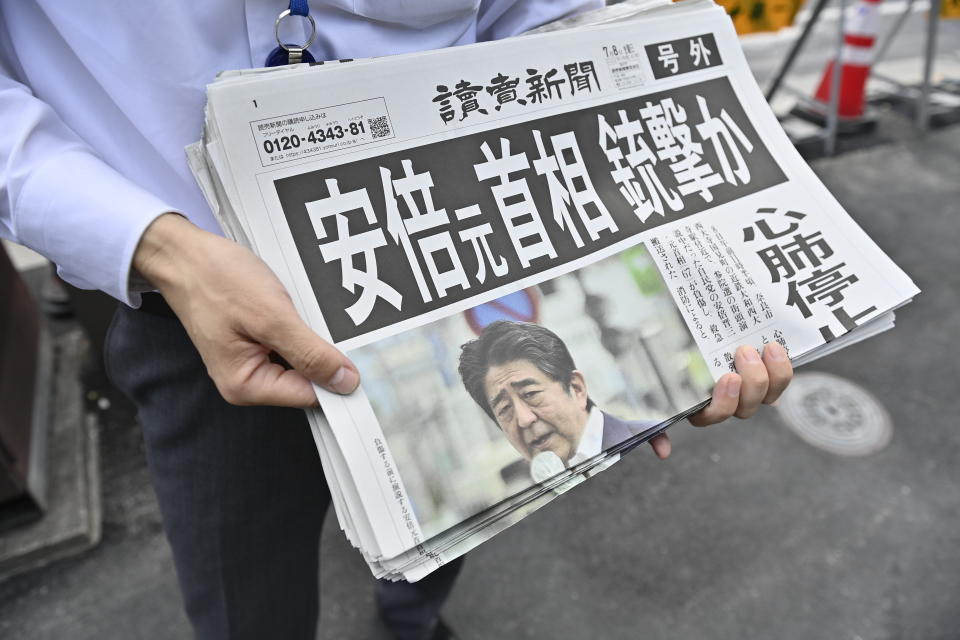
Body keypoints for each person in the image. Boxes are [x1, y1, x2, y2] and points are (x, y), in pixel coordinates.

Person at [0, 2, 793, 639]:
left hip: (449, 255)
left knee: (460, 514)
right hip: (195, 303)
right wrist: (156, 247)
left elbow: (547, 20)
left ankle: (412, 621)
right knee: (243, 584)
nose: (525, 412)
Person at [458, 320, 658, 467]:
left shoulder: (656, 443)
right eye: (504, 409)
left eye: (530, 394)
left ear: (576, 388)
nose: (524, 419)